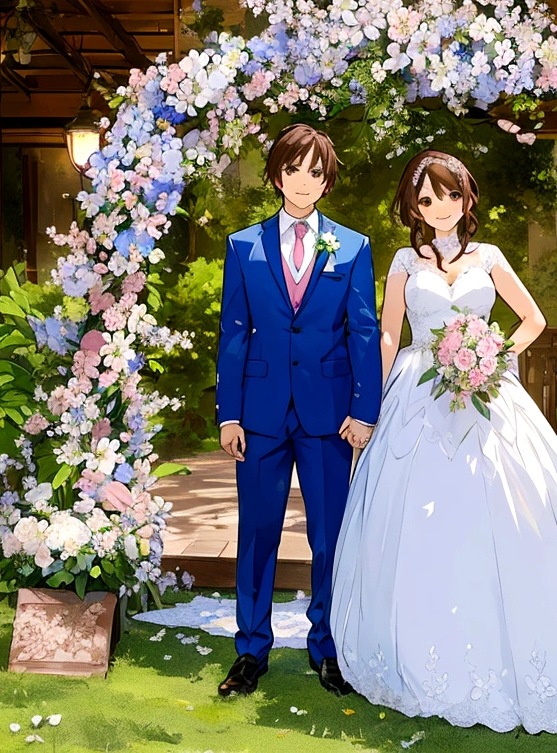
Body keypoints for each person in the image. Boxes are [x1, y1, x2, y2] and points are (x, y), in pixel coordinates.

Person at [330, 150, 557, 733]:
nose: (440, 208)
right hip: (418, 395)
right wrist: (371, 409)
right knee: (417, 524)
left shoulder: (491, 257)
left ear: (466, 199)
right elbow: (388, 334)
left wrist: (490, 357)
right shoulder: (404, 260)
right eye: (426, 199)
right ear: (413, 207)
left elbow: (531, 320)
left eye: (450, 195)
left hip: (488, 393)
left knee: (514, 511)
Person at [215, 123, 382, 698]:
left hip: (330, 416)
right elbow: (234, 332)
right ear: (276, 174)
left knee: (329, 537)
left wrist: (365, 410)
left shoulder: (353, 246)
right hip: (258, 415)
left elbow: (364, 332)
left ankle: (328, 648)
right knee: (257, 533)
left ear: (328, 179)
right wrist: (228, 414)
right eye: (294, 169)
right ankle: (250, 651)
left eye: (316, 171)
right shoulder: (243, 246)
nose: (304, 181)